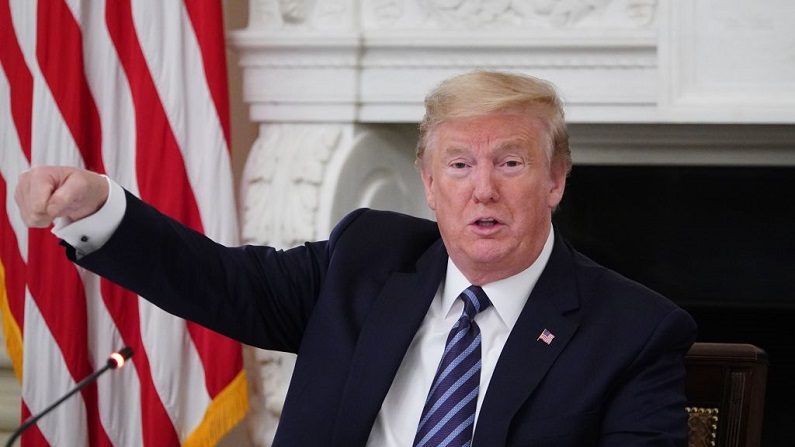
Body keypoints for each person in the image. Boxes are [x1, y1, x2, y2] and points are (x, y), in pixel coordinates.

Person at [16, 71, 696, 446]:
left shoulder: (632, 332)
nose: (481, 188)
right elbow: (221, 282)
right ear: (429, 185)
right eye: (458, 164)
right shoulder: (367, 260)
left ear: (554, 180)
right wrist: (97, 206)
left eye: (510, 163)